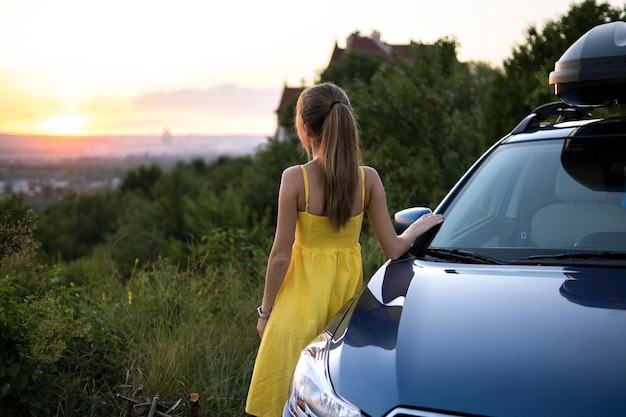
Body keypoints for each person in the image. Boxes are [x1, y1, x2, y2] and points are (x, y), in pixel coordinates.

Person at [245, 82, 443, 417]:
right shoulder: (368, 181)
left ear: (306, 128)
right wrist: (417, 226)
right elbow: (394, 250)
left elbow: (280, 256)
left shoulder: (295, 179)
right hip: (345, 312)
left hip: (296, 309)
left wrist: (265, 313)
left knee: (279, 400)